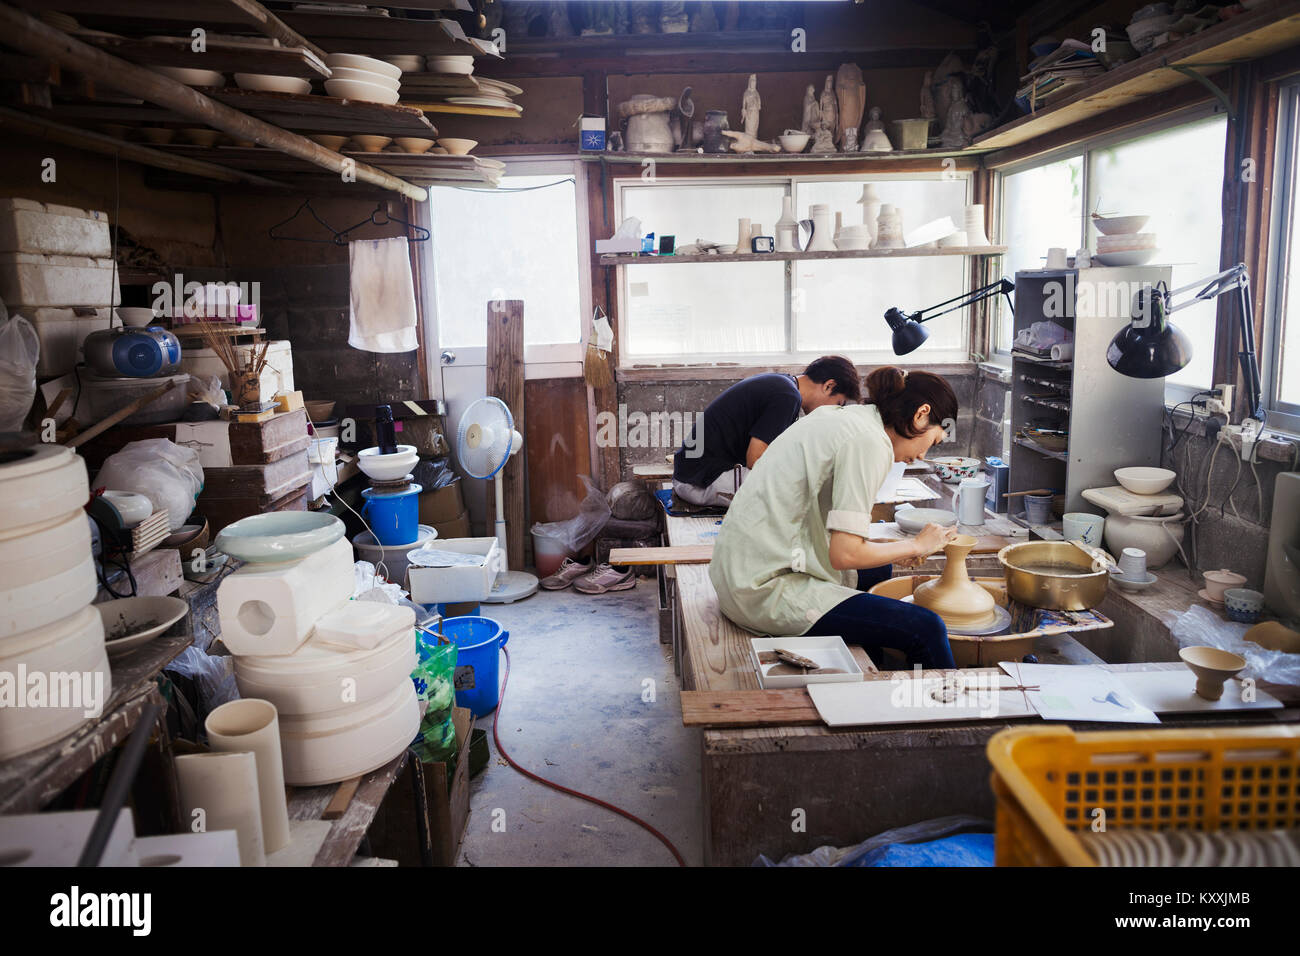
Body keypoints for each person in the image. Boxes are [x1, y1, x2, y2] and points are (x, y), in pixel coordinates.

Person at [709, 366, 961, 668]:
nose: (922, 455)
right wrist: (916, 546)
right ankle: (946, 710)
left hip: (737, 571)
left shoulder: (842, 418)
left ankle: (871, 673)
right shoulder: (870, 443)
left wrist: (889, 547)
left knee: (878, 571)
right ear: (921, 414)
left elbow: (812, 516)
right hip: (762, 590)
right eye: (933, 441)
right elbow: (845, 554)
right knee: (927, 627)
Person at [671, 355, 861, 508]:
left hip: (694, 474)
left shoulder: (782, 384)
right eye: (838, 404)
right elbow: (756, 459)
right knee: (803, 493)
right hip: (699, 483)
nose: (832, 411)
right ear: (829, 386)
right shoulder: (787, 396)